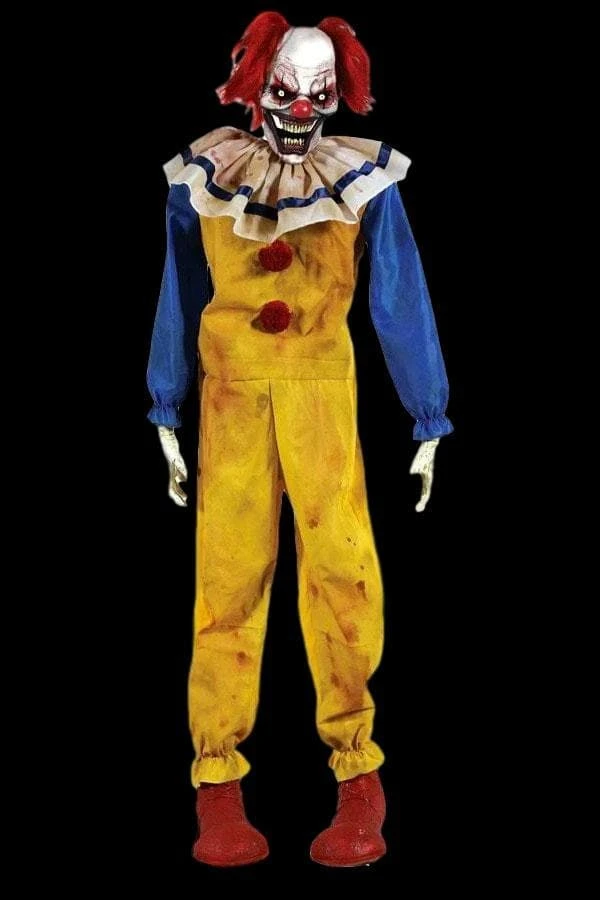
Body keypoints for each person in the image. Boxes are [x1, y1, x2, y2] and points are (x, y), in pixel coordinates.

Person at [147, 12, 453, 868]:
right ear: (256, 90)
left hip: (324, 396)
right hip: (232, 400)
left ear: (340, 94)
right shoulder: (205, 178)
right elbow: (179, 290)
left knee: (343, 573)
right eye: (285, 91)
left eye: (319, 93)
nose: (301, 110)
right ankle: (217, 778)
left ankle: (359, 771)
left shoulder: (363, 183)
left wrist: (427, 415)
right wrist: (166, 408)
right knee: (227, 578)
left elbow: (399, 297)